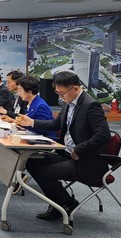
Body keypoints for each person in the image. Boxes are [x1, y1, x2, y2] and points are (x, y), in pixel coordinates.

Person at [15, 71, 111, 221]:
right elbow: (57, 124)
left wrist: (79, 150)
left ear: (75, 89)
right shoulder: (68, 103)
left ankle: (66, 204)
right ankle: (60, 203)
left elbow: (103, 135)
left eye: (62, 93)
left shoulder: (91, 105)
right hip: (66, 154)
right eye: (57, 93)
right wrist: (32, 122)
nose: (60, 97)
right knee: (32, 160)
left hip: (85, 161)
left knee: (45, 173)